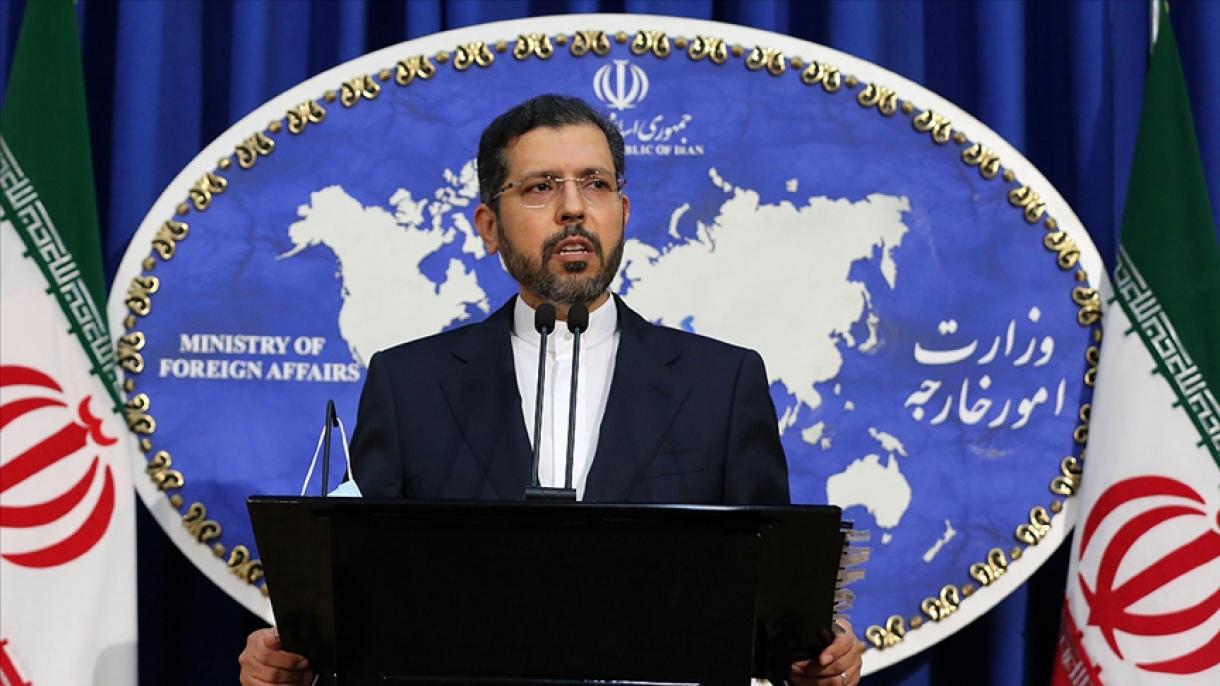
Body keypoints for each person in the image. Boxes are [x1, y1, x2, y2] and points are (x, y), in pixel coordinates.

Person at [239, 95, 865, 686]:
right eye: (541, 187)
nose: (573, 208)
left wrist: (814, 656)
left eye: (595, 184)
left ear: (623, 214)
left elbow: (768, 605)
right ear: (489, 226)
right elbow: (361, 594)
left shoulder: (722, 383)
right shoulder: (410, 385)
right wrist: (297, 659)